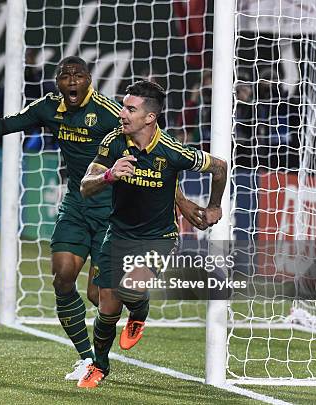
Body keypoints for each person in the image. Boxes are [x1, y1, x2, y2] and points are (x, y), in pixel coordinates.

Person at [0, 56, 208, 380]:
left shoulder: (110, 114)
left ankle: (138, 308)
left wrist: (180, 200)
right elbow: (9, 122)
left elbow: (153, 158)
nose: (72, 80)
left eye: (79, 74)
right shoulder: (49, 108)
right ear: (58, 83)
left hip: (113, 213)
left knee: (99, 295)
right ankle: (87, 357)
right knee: (63, 276)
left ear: (90, 79)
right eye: (65, 75)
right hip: (77, 205)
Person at [78, 80, 227, 388]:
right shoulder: (113, 142)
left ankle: (139, 314)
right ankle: (100, 366)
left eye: (130, 109)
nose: (122, 114)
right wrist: (109, 175)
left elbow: (220, 167)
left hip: (159, 238)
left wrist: (214, 207)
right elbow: (85, 186)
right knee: (105, 304)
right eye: (123, 106)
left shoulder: (172, 151)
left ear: (149, 117)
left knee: (131, 289)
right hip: (117, 234)